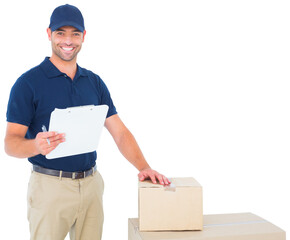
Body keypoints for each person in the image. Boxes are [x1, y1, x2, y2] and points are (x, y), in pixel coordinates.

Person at [4, 4, 170, 240]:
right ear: (49, 34)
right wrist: (35, 146)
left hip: (91, 185)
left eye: (75, 33)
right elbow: (10, 143)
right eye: (61, 33)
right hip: (50, 187)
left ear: (84, 36)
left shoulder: (94, 82)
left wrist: (144, 167)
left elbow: (120, 133)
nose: (68, 40)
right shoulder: (27, 83)